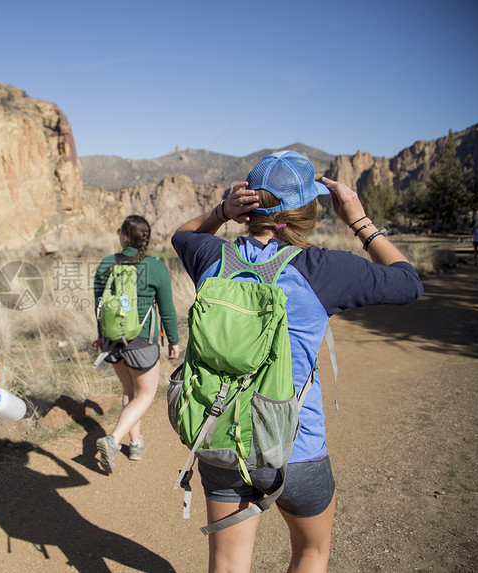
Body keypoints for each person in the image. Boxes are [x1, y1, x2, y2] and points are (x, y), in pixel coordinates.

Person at [171, 150, 424, 573]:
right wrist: (358, 220)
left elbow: (183, 233)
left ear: (248, 207)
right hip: (296, 449)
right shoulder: (324, 269)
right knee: (311, 552)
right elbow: (408, 282)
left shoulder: (211, 258)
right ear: (309, 211)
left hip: (222, 440)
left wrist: (220, 211)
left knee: (229, 565)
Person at [93, 215, 181, 474]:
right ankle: (113, 439)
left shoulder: (107, 264)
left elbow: (99, 306)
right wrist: (173, 341)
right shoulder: (155, 266)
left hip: (113, 341)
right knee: (145, 396)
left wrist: (101, 335)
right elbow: (167, 310)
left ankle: (135, 444)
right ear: (146, 239)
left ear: (123, 237)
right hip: (143, 342)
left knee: (129, 390)